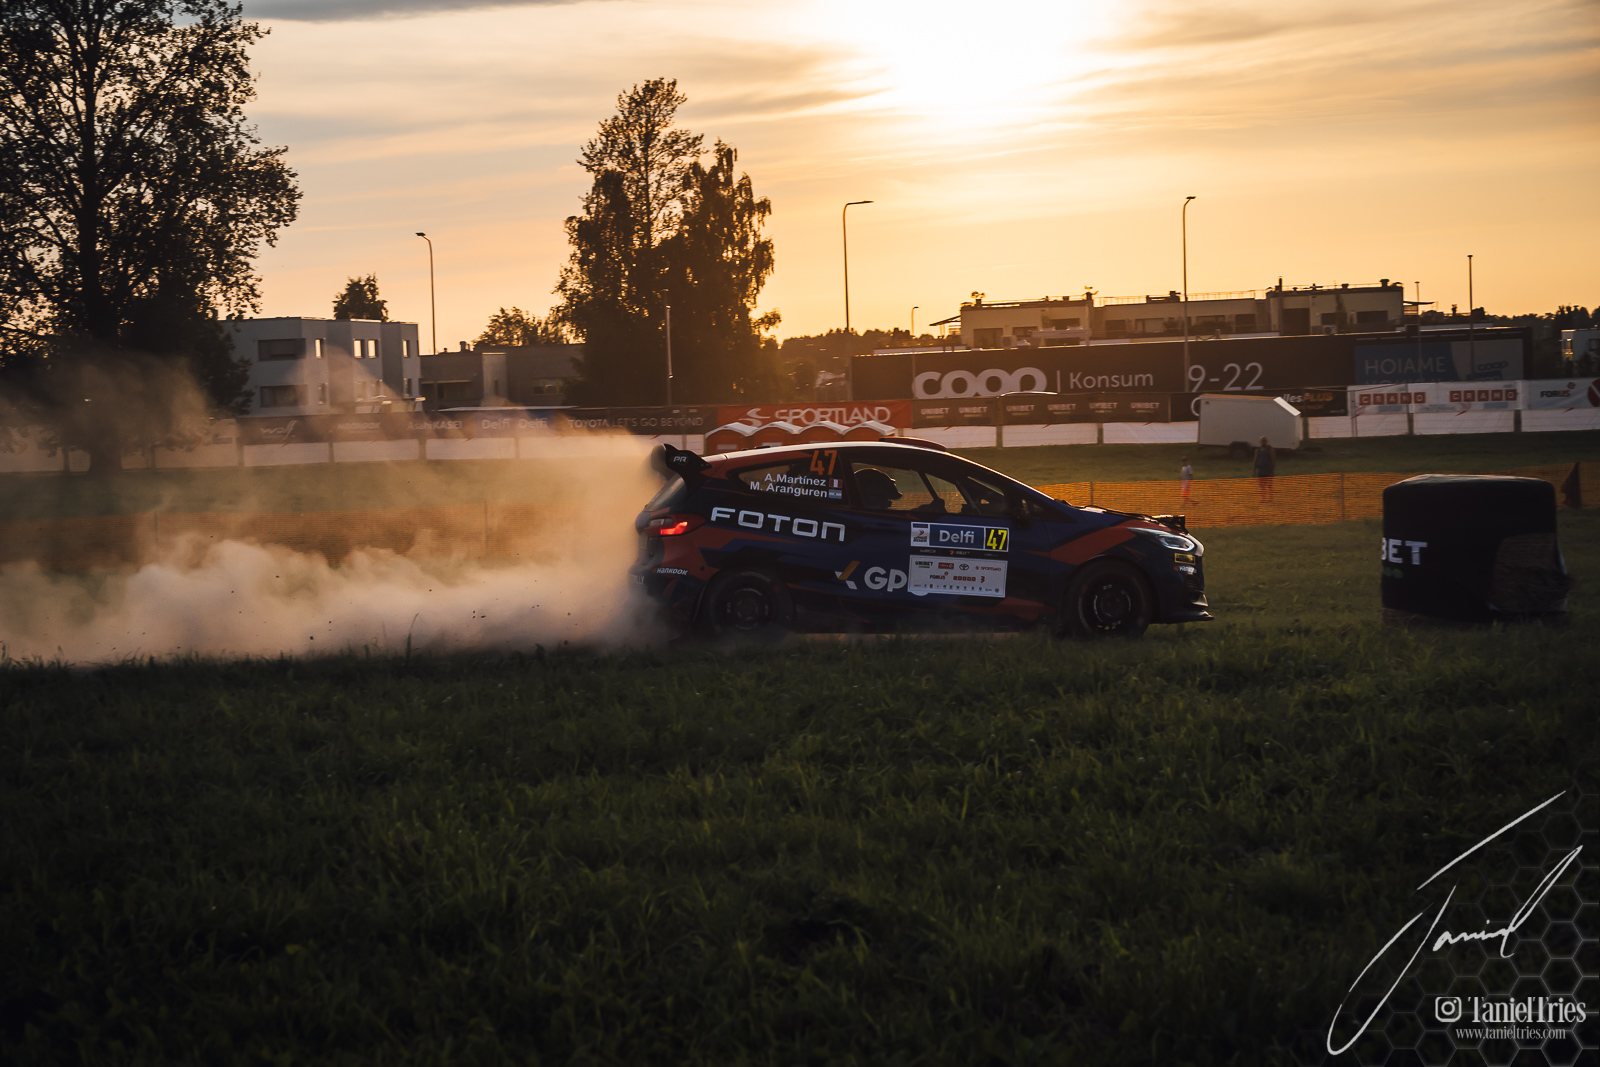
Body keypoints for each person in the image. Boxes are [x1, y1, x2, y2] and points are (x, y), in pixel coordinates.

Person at [1254, 436, 1275, 501]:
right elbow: (1255, 460)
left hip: (1268, 470)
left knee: (1269, 485)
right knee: (1262, 485)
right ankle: (1263, 498)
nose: (1263, 442)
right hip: (1260, 471)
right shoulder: (1257, 450)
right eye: (1262, 441)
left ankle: (1271, 498)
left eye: (1264, 441)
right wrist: (1254, 470)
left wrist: (1272, 471)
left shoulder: (1270, 449)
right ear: (1260, 442)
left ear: (1267, 442)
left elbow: (1273, 460)